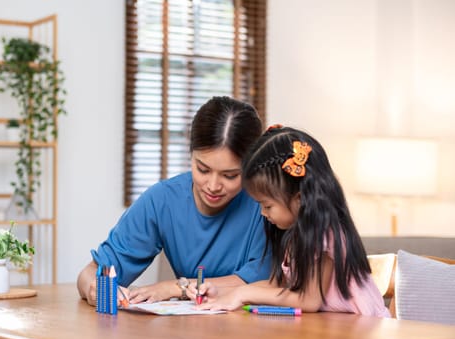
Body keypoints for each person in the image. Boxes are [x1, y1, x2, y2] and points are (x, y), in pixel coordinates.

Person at [77, 96, 272, 306]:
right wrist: (96, 289)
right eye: (203, 169)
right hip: (189, 333)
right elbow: (89, 274)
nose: (213, 185)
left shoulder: (267, 204)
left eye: (230, 175)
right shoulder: (163, 200)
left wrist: (175, 287)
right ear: (190, 155)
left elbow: (261, 281)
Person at [196, 124, 390, 317]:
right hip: (334, 326)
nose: (263, 213)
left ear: (299, 198)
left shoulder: (323, 232)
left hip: (365, 331)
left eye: (268, 205)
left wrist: (243, 293)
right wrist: (224, 294)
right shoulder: (295, 233)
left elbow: (309, 300)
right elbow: (277, 285)